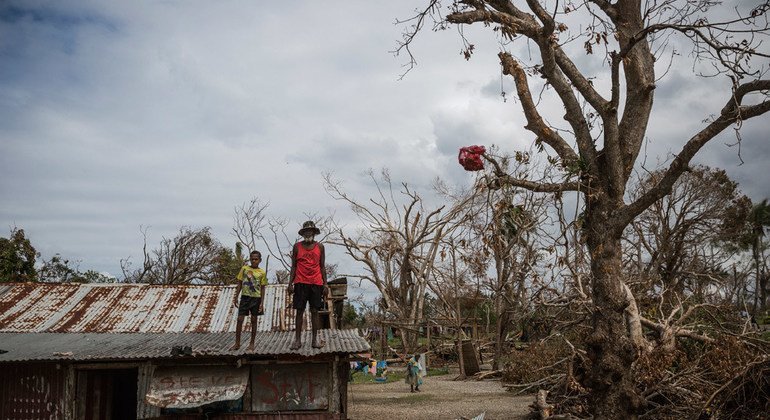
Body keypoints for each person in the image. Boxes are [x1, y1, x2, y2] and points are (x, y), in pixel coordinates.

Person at [288, 220, 328, 350]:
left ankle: (314, 340)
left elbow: (322, 266)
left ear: (314, 233)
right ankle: (298, 341)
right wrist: (290, 283)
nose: (308, 233)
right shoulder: (297, 247)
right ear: (303, 233)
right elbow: (294, 265)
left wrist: (325, 284)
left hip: (316, 283)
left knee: (315, 311)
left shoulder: (320, 247)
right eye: (306, 231)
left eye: (310, 231)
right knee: (299, 311)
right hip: (300, 282)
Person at [231, 250, 268, 351]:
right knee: (239, 320)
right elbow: (239, 283)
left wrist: (262, 302)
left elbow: (263, 287)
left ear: (260, 260)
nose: (254, 261)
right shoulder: (244, 269)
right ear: (250, 259)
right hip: (245, 297)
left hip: (256, 298)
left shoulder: (262, 272)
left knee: (253, 320)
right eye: (252, 259)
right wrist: (236, 297)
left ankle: (251, 344)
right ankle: (237, 343)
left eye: (256, 259)